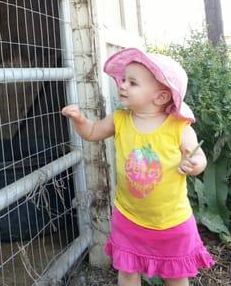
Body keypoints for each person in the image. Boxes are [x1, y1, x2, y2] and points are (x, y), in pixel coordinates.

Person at [62, 47, 214, 286]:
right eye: (123, 80)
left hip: (171, 222)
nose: (122, 85)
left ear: (161, 97)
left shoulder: (179, 127)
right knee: (127, 271)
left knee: (174, 275)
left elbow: (199, 158)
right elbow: (92, 132)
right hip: (129, 217)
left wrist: (194, 163)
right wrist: (80, 120)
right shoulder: (120, 120)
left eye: (132, 83)